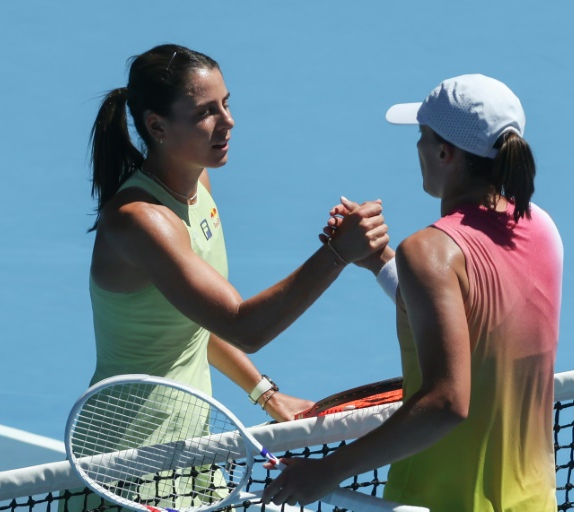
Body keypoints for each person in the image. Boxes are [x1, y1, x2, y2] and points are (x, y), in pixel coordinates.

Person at [263, 74, 563, 511]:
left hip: (439, 503)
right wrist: (381, 262)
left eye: (422, 137)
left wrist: (324, 472)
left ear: (445, 153)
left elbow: (446, 402)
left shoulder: (430, 251)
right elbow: (474, 322)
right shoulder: (543, 229)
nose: (417, 148)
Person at [85, 43, 390, 421]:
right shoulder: (144, 220)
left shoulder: (198, 186)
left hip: (186, 444)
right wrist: (337, 254)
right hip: (126, 458)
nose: (227, 121)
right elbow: (243, 327)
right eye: (206, 112)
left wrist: (266, 394)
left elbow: (195, 320)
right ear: (157, 126)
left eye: (226, 104)